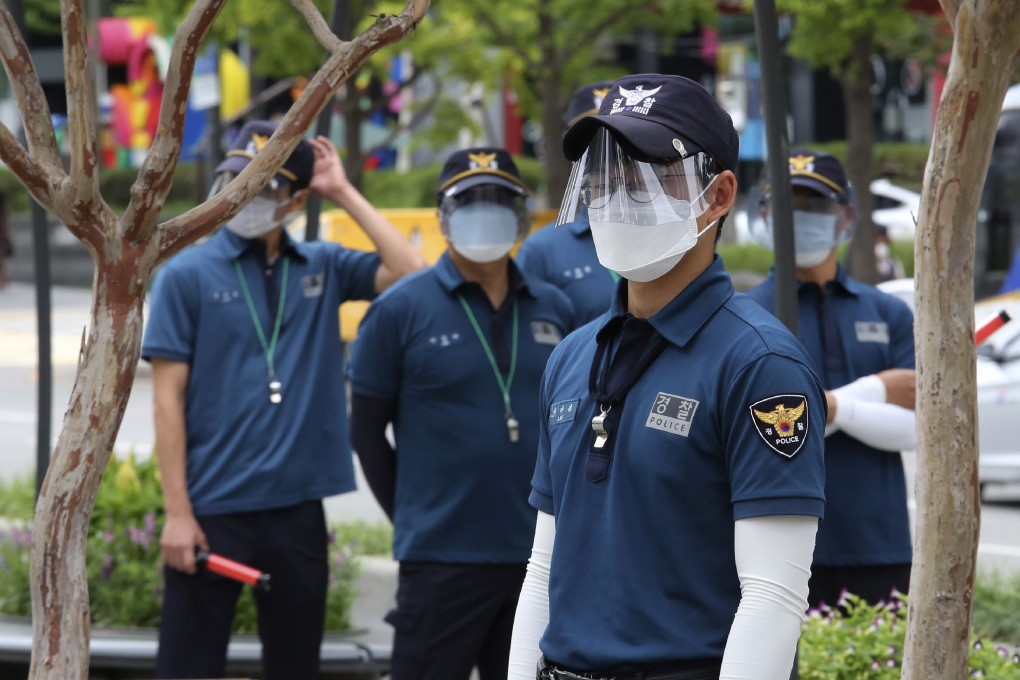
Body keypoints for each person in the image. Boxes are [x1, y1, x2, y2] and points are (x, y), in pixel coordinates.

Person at [508, 74, 827, 680]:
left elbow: (773, 597)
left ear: (719, 193)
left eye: (652, 172)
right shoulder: (573, 356)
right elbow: (543, 568)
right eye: (606, 174)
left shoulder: (759, 364)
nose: (620, 195)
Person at [142, 119, 426, 680]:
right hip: (211, 509)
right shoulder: (185, 276)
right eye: (236, 179)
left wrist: (342, 190)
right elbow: (165, 402)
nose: (244, 194)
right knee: (187, 666)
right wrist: (177, 513)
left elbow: (409, 271)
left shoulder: (321, 265)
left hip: (297, 511)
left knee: (295, 666)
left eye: (263, 185)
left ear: (295, 199)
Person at [347, 147, 575, 680]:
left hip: (536, 559)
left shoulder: (554, 308)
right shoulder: (399, 310)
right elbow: (365, 433)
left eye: (500, 199)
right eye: (471, 200)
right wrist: (412, 516)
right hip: (441, 559)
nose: (486, 211)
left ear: (522, 215)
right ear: (443, 216)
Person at [746, 149, 916, 609]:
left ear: (846, 216)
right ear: (764, 215)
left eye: (815, 206)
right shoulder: (744, 318)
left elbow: (919, 429)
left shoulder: (887, 312)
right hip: (779, 547)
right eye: (788, 206)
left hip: (880, 545)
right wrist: (873, 392)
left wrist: (819, 407)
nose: (800, 218)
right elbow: (763, 430)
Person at [516, 80, 618, 325]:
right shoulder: (541, 251)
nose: (606, 149)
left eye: (617, 135)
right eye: (592, 138)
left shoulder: (669, 233)